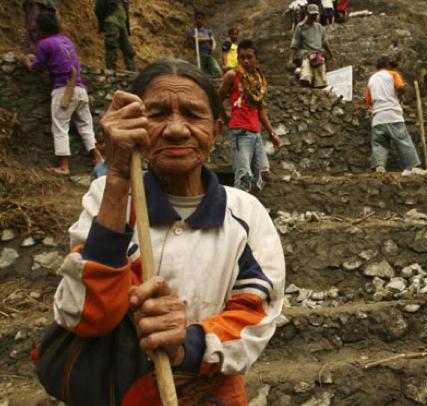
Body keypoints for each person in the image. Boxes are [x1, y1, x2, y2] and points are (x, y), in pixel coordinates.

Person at [33, 59, 285, 404]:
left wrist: (188, 344)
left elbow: (255, 314)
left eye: (193, 116)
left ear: (217, 130)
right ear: (134, 125)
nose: (176, 129)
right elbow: (85, 315)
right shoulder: (110, 195)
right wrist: (119, 178)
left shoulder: (244, 212)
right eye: (158, 114)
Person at [17, 13, 102, 175]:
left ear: (42, 29)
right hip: (80, 88)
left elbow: (36, 67)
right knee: (85, 126)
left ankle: (64, 166)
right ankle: (97, 157)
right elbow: (59, 61)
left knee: (60, 126)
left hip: (63, 90)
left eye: (37, 29)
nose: (35, 33)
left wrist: (25, 60)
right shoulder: (67, 41)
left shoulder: (44, 44)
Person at [218, 40, 282, 194]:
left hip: (255, 132)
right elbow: (217, 99)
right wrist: (226, 119)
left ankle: (249, 206)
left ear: (256, 59)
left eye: (249, 57)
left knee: (263, 175)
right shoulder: (232, 75)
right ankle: (237, 214)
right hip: (240, 132)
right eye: (242, 57)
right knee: (243, 178)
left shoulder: (257, 80)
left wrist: (272, 133)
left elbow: (260, 110)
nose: (245, 61)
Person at [365, 55, 421, 173]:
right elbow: (400, 87)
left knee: (379, 143)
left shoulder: (371, 80)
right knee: (403, 141)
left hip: (377, 118)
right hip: (393, 114)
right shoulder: (393, 74)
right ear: (388, 66)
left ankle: (379, 165)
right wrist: (400, 97)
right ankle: (412, 166)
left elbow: (369, 101)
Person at [288, 4, 336, 88]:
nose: (314, 16)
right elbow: (294, 43)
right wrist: (290, 59)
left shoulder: (319, 27)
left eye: (315, 15)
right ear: (307, 14)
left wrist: (332, 56)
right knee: (306, 78)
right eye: (312, 14)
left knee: (321, 83)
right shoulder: (300, 27)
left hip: (318, 56)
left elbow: (325, 42)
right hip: (306, 55)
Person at [95, 0, 136, 71]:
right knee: (112, 45)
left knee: (128, 49)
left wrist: (127, 28)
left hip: (122, 24)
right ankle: (111, 69)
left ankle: (131, 70)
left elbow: (126, 14)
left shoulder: (125, 1)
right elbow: (98, 9)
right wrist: (104, 21)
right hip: (112, 22)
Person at [187, 10, 222, 78]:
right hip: (199, 55)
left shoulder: (208, 31)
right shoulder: (192, 31)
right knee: (199, 73)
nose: (200, 20)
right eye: (198, 18)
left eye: (201, 18)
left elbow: (213, 40)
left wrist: (213, 47)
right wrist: (208, 39)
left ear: (204, 20)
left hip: (209, 55)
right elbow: (197, 40)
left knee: (218, 72)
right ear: (195, 19)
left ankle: (208, 80)